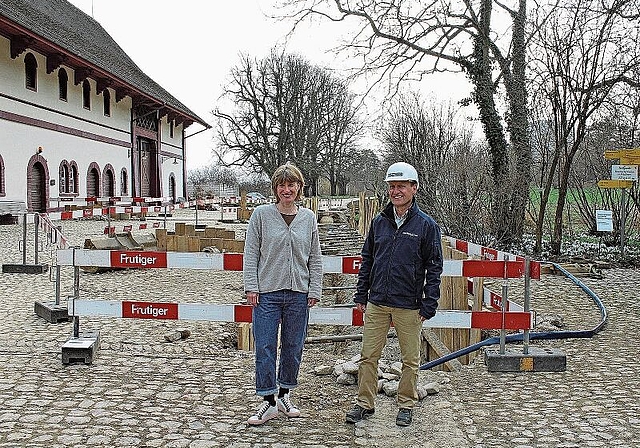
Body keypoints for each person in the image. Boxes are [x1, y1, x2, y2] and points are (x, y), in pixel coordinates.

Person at [345, 161, 443, 427]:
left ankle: (406, 404)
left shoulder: (426, 226)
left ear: (414, 188)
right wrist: (361, 295)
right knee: (368, 356)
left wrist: (428, 303)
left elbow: (434, 267)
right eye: (392, 186)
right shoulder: (379, 223)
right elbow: (368, 260)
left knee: (410, 359)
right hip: (377, 301)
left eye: (401, 186)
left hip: (409, 305)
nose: (396, 191)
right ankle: (365, 404)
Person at [243, 162, 323, 426]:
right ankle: (268, 401)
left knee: (293, 346)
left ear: (299, 188)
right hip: (267, 293)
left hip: (299, 294)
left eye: (291, 185)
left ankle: (285, 394)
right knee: (265, 346)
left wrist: (315, 288)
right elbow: (251, 253)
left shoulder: (308, 217)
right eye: (282, 185)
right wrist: (251, 286)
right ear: (275, 188)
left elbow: (315, 257)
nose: (286, 190)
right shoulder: (261, 215)